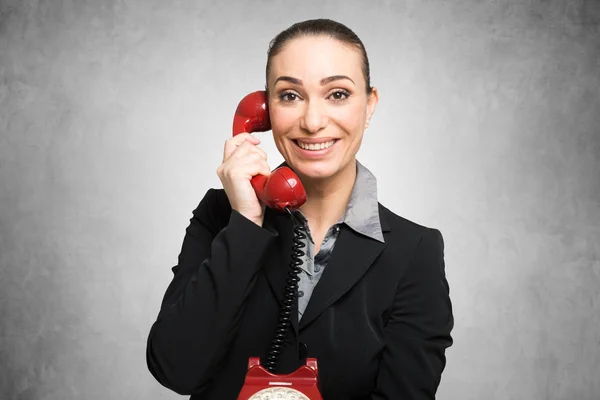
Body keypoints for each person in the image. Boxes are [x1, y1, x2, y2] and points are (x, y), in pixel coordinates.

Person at [146, 18, 454, 399]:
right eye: (290, 96)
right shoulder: (219, 216)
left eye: (338, 94)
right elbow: (176, 370)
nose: (312, 121)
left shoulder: (415, 252)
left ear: (369, 105)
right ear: (263, 110)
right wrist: (246, 222)